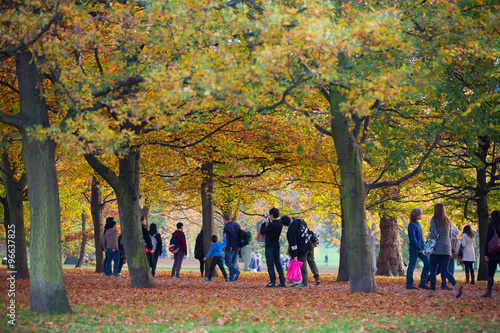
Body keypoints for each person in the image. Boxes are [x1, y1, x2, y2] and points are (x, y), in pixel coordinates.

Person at [427, 203, 463, 298]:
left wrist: (428, 234)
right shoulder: (448, 221)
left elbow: (433, 233)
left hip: (436, 249)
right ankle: (456, 285)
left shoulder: (434, 220)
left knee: (433, 270)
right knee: (444, 270)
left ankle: (432, 291)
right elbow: (449, 236)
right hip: (446, 249)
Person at [280, 215, 313, 287]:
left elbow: (293, 244)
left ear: (284, 224)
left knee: (302, 264)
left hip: (302, 249)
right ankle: (304, 281)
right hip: (309, 244)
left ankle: (304, 282)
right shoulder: (299, 221)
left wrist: (295, 255)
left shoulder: (291, 232)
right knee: (309, 261)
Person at [260, 208, 286, 287]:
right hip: (276, 245)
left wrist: (264, 222)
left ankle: (272, 281)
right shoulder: (279, 224)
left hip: (269, 246)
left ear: (271, 215)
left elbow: (263, 231)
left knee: (270, 264)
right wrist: (268, 220)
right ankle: (282, 281)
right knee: (278, 264)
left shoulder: (271, 225)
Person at [405, 208, 430, 290]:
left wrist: (423, 248)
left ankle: (423, 282)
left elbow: (420, 238)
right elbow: (413, 238)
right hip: (414, 248)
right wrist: (418, 248)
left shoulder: (418, 224)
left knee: (428, 263)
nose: (422, 214)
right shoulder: (411, 224)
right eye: (421, 213)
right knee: (412, 266)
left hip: (421, 248)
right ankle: (409, 284)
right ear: (416, 214)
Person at [481, 210, 500, 297]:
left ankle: (489, 292)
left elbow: (487, 241)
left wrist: (486, 254)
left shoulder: (491, 227)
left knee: (491, 273)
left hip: (493, 253)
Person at [223, 213, 241, 281]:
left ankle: (236, 271)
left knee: (227, 262)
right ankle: (231, 278)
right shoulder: (237, 225)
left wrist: (224, 247)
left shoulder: (226, 227)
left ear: (224, 219)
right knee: (233, 262)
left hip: (229, 247)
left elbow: (225, 237)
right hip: (237, 246)